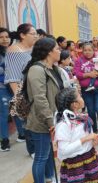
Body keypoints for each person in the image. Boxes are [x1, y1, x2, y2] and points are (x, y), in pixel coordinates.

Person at [24, 38, 64, 183]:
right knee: (41, 156)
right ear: (48, 52)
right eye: (57, 49)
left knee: (48, 154)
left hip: (52, 118)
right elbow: (39, 98)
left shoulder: (53, 68)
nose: (60, 51)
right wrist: (49, 121)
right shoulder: (36, 69)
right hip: (41, 120)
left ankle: (49, 178)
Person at [54, 88, 98, 183]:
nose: (82, 97)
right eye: (79, 96)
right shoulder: (64, 125)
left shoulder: (81, 118)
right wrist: (85, 139)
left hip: (89, 159)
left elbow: (86, 139)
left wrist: (92, 142)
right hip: (75, 165)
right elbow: (63, 151)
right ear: (75, 104)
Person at [5, 23, 37, 154]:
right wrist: (20, 99)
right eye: (33, 34)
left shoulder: (31, 49)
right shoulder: (13, 50)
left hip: (35, 91)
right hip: (24, 94)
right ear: (23, 35)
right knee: (29, 124)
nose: (35, 36)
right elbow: (13, 78)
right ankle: (33, 151)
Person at [74, 42, 98, 133]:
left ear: (93, 50)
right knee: (90, 111)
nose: (87, 52)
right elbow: (78, 74)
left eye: (90, 50)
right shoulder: (79, 60)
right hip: (86, 90)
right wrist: (89, 74)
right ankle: (94, 131)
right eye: (85, 50)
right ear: (82, 51)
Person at [0, 27, 12, 151]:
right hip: (2, 87)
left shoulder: (12, 51)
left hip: (14, 86)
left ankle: (22, 134)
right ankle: (4, 140)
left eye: (6, 37)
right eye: (1, 37)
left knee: (17, 111)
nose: (5, 39)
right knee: (3, 113)